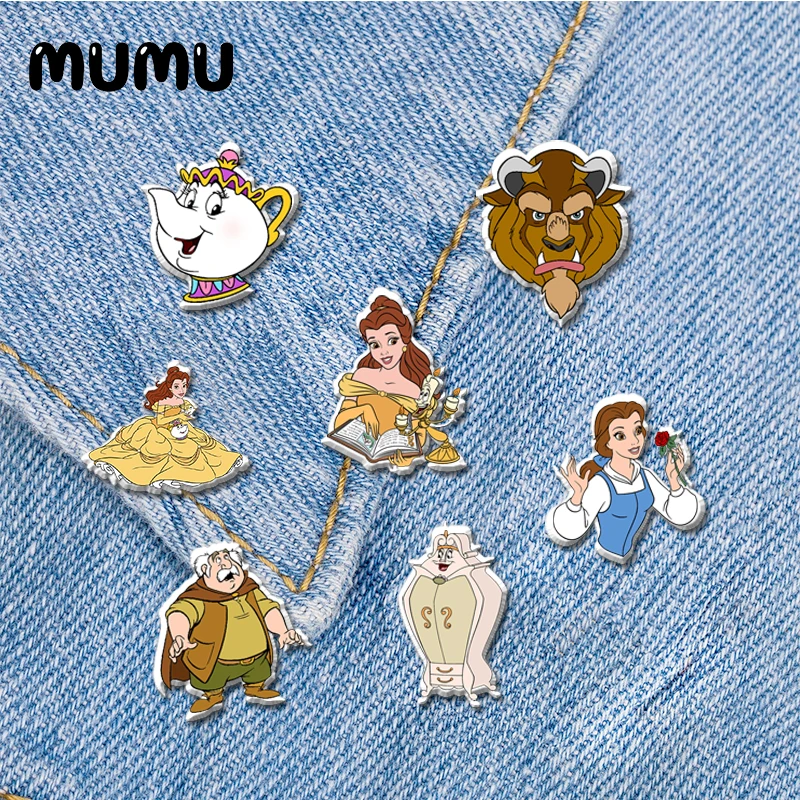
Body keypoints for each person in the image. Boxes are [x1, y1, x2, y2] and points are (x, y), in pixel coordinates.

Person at [547, 395, 704, 563]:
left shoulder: (646, 477)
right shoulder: (601, 484)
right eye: (621, 436)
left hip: (644, 555)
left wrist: (674, 480)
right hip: (596, 558)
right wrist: (576, 498)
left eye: (637, 431)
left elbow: (679, 515)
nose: (634, 441)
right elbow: (570, 530)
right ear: (607, 442)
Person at [157, 545, 303, 721]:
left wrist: (284, 631)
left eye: (228, 559)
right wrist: (180, 635)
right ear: (205, 572)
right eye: (217, 561)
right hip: (218, 662)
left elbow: (269, 609)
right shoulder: (199, 598)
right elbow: (181, 612)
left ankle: (255, 689)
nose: (225, 564)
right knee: (210, 681)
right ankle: (212, 697)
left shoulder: (250, 590)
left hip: (256, 657)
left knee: (259, 673)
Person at [85, 365, 247, 492]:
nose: (182, 390)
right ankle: (156, 477)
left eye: (184, 386)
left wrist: (185, 416)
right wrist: (179, 417)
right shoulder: (163, 403)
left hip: (180, 429)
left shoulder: (184, 402)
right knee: (156, 452)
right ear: (169, 387)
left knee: (198, 447)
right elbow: (161, 420)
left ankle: (208, 468)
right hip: (159, 431)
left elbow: (186, 414)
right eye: (177, 386)